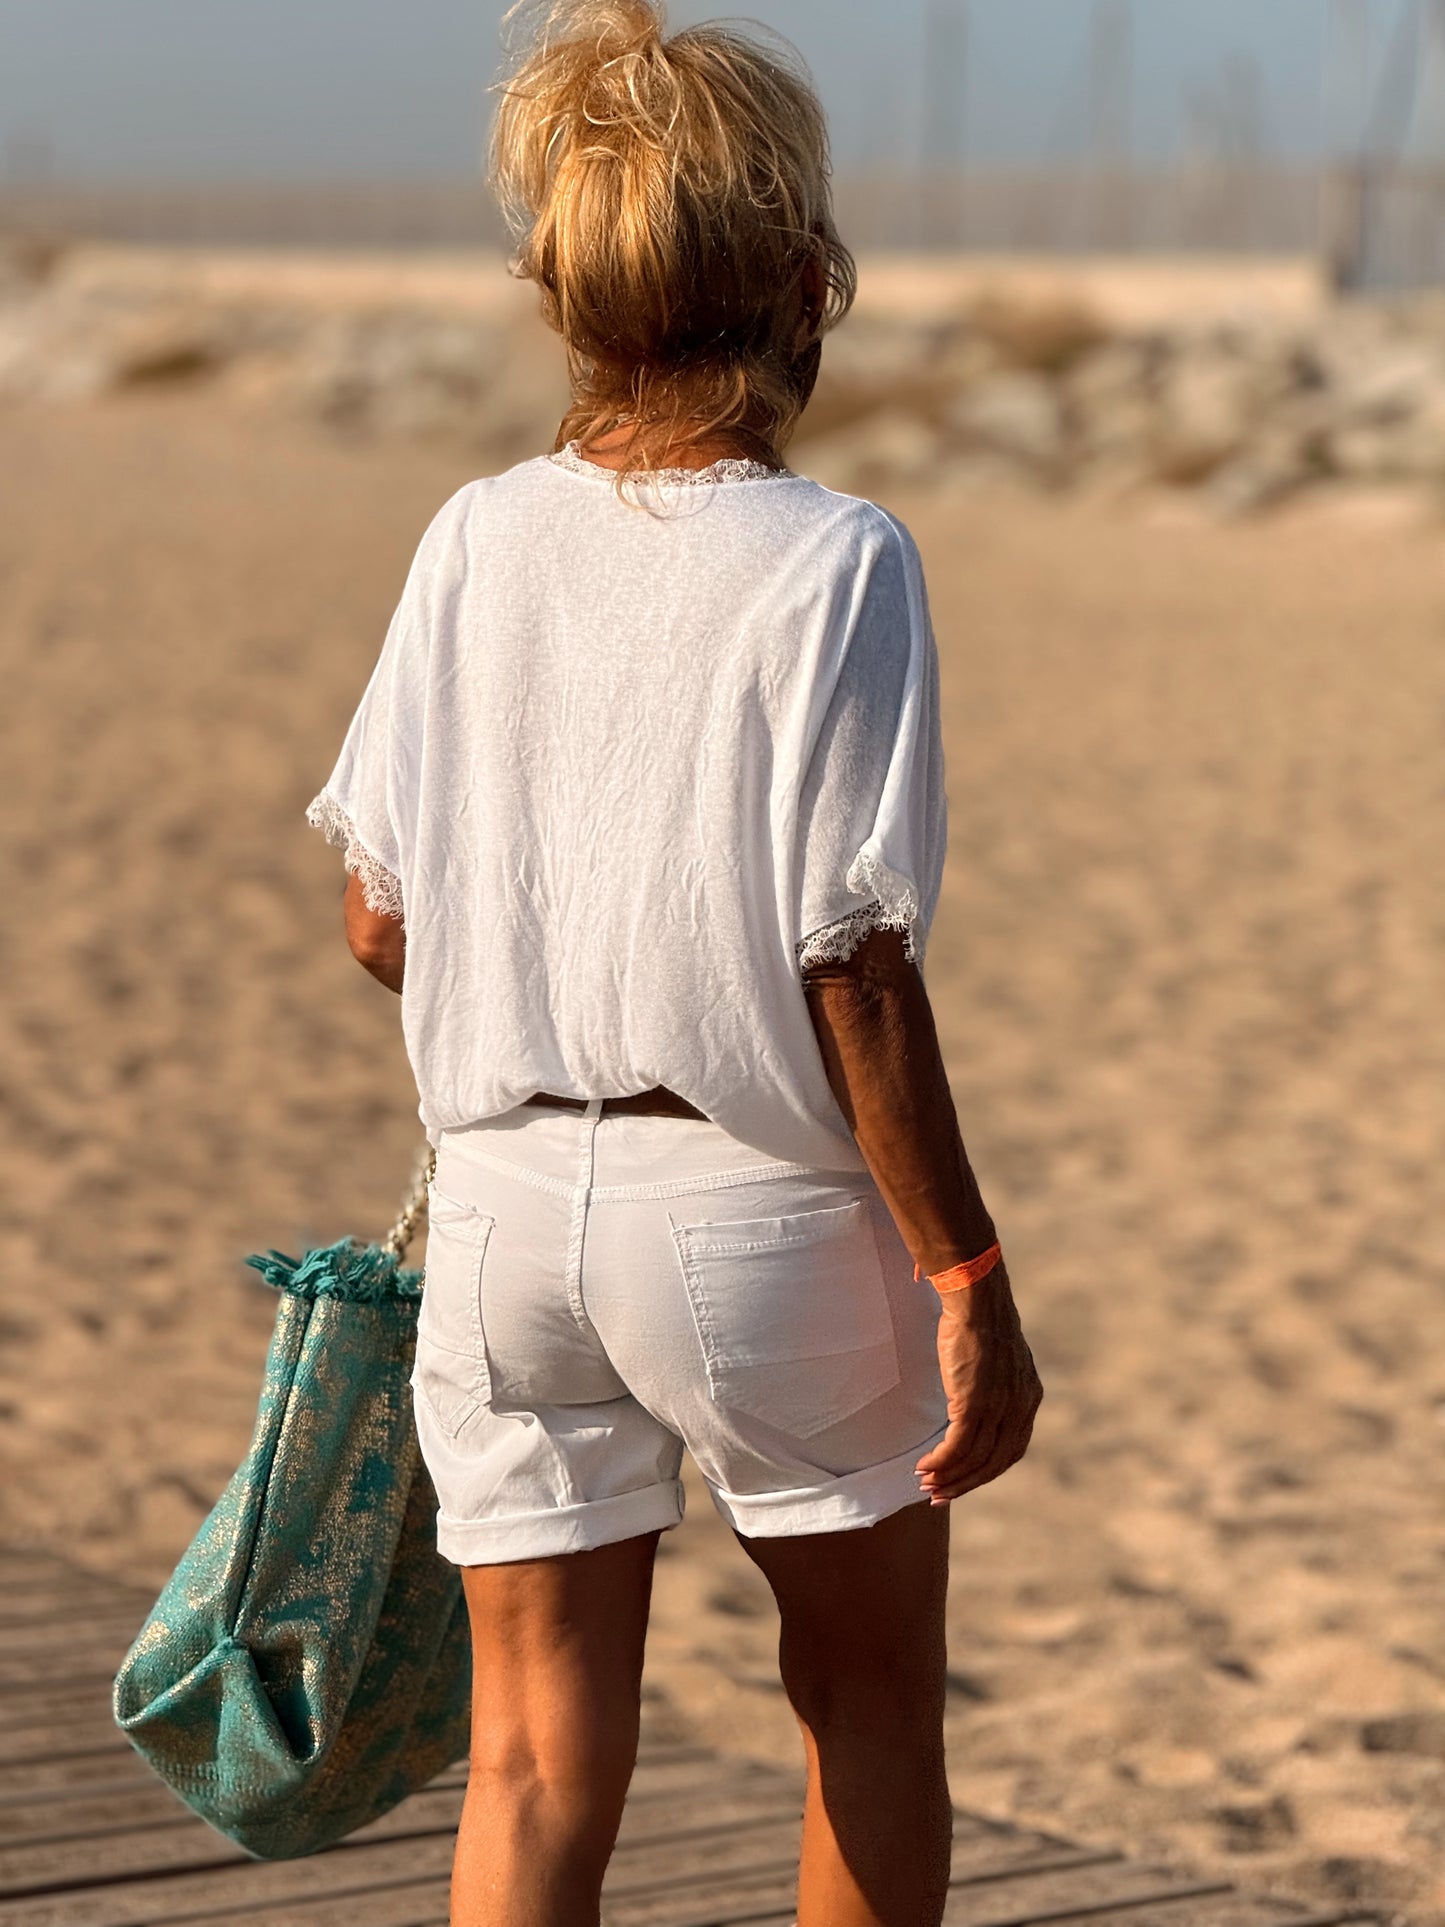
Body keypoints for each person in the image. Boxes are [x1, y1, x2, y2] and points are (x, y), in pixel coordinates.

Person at [305, 3, 1042, 1921]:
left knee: (538, 1761)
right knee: (862, 1706)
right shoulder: (830, 558)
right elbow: (850, 962)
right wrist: (963, 1269)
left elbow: (382, 916)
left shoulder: (473, 539)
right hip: (757, 1213)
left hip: (502, 1209)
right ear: (806, 282)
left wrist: (557, 968)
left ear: (577, 293)